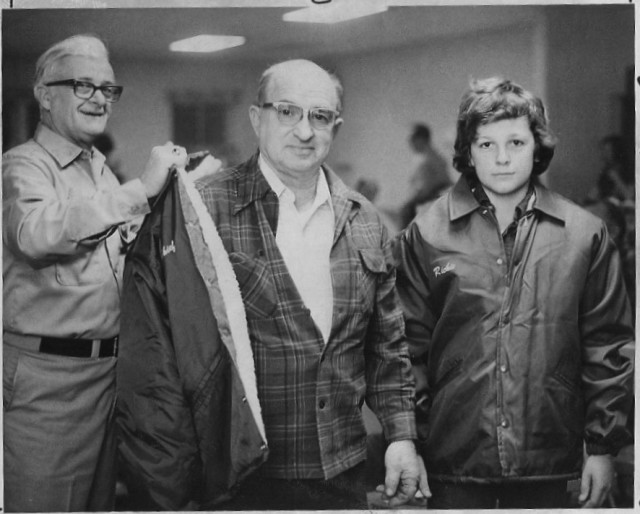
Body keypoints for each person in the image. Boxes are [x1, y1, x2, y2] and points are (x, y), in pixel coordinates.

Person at [116, 58, 428, 510]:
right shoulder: (203, 211)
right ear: (256, 118)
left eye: (320, 116)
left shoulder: (364, 220)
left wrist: (400, 436)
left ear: (335, 126)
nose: (305, 131)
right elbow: (156, 360)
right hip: (239, 477)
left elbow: (387, 345)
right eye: (287, 111)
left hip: (341, 474)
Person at [394, 77, 634, 509]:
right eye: (486, 145)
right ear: (467, 151)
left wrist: (602, 446)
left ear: (537, 147)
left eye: (516, 143)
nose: (502, 158)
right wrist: (410, 438)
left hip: (553, 459)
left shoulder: (585, 235)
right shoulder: (425, 234)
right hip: (453, 460)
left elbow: (608, 344)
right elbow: (404, 348)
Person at [2, 34, 187, 512]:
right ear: (45, 95)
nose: (99, 98)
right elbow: (35, 234)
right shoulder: (21, 167)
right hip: (49, 385)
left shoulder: (99, 172)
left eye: (108, 89)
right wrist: (138, 190)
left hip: (109, 377)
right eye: (83, 85)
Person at [399, 123, 452, 228]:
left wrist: (410, 201)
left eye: (412, 139)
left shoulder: (425, 159)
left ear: (421, 139)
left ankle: (404, 242)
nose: (410, 143)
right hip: (445, 194)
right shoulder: (436, 156)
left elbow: (424, 188)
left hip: (434, 195)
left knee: (405, 211)